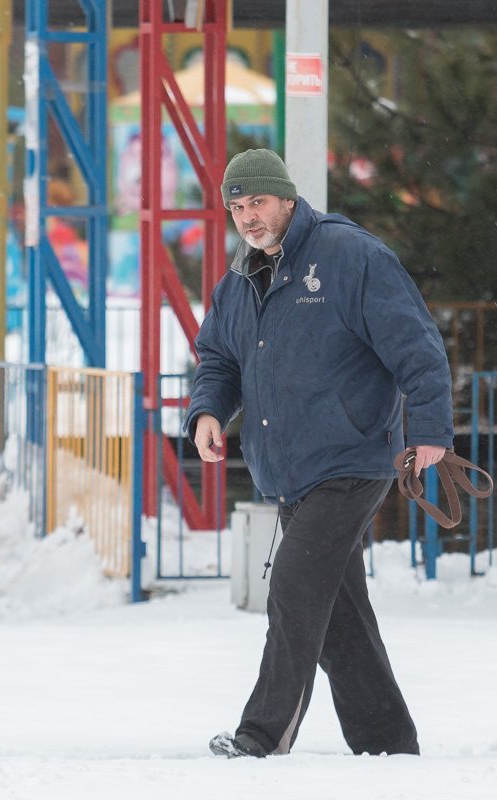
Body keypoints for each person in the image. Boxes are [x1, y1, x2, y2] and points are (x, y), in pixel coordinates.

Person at [186, 149, 453, 759]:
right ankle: (387, 743)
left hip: (352, 458)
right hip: (287, 470)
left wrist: (431, 430)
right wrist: (206, 411)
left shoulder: (350, 256)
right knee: (339, 619)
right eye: (237, 207)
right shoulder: (241, 276)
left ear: (286, 198)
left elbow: (417, 346)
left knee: (295, 588)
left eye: (258, 202)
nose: (248, 217)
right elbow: (220, 357)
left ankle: (261, 737)